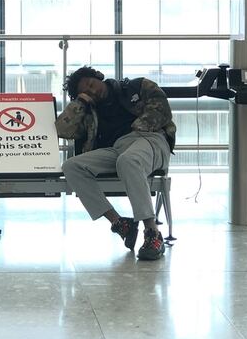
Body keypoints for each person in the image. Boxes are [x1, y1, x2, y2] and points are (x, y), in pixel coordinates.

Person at [55, 66, 176, 260]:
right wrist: (80, 102)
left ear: (99, 77)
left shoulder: (137, 86)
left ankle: (152, 232)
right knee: (71, 166)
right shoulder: (89, 111)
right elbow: (62, 129)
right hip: (117, 150)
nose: (93, 91)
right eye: (86, 92)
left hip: (150, 139)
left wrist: (135, 128)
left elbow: (162, 110)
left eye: (91, 84)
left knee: (128, 160)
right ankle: (120, 223)